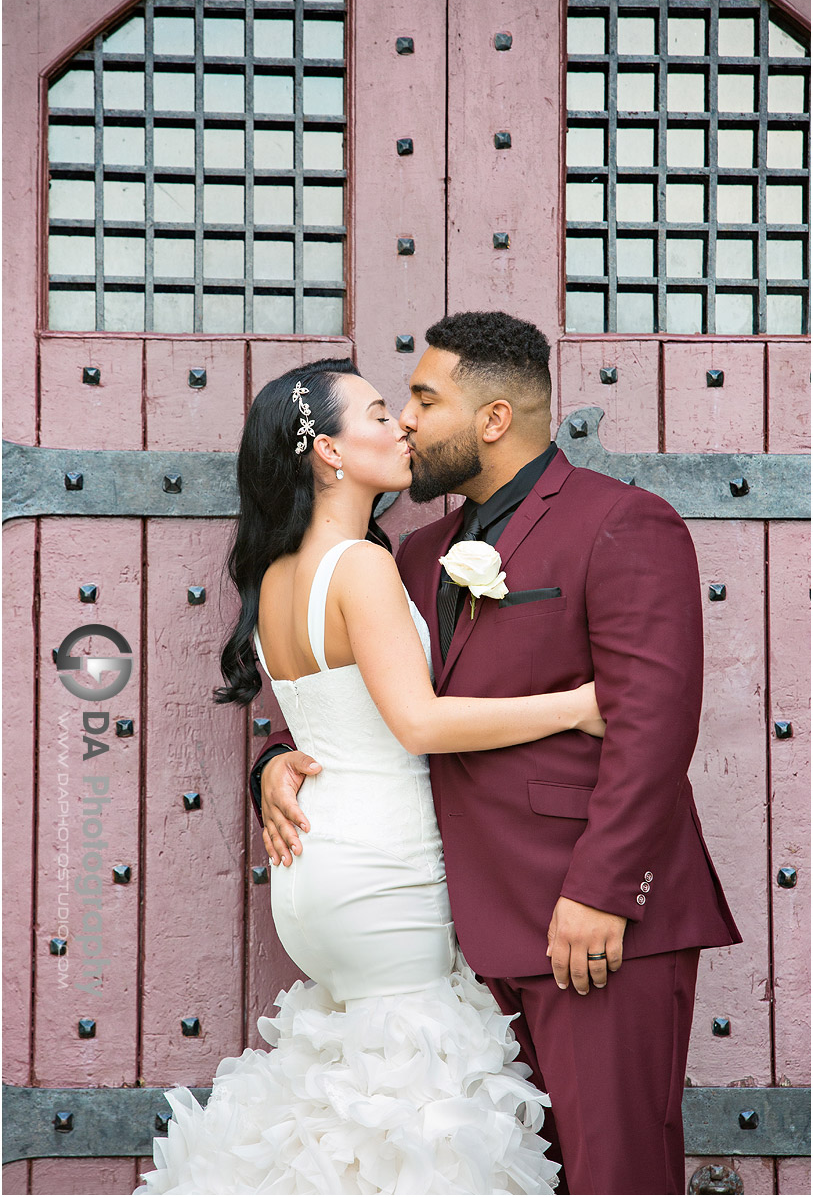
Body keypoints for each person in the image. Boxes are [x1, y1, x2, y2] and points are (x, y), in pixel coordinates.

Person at [254, 312, 743, 1196]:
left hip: (590, 925)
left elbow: (653, 726)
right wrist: (276, 760)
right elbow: (366, 694)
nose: (404, 419)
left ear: (491, 419)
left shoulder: (623, 523)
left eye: (423, 398)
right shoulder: (412, 553)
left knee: (611, 1175)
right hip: (457, 937)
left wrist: (602, 891)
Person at [134, 353, 613, 1195]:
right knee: (417, 1111)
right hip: (383, 868)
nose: (402, 426)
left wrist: (272, 762)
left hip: (317, 870)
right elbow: (419, 723)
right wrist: (573, 706)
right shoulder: (357, 565)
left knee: (356, 1096)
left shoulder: (276, 573)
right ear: (327, 451)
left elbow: (331, 717)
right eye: (380, 411)